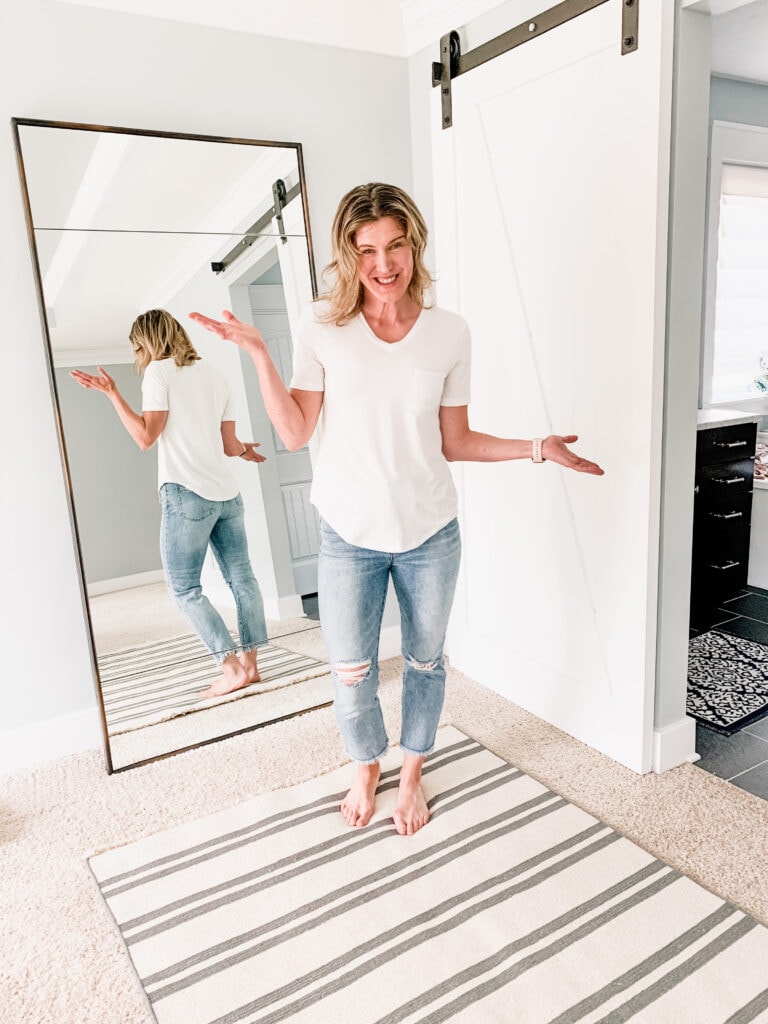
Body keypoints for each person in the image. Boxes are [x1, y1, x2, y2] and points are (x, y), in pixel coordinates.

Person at [189, 182, 604, 836]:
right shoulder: (322, 326)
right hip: (348, 535)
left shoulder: (449, 333)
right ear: (348, 256)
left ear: (415, 245)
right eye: (367, 250)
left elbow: (454, 440)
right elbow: (295, 433)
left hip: (430, 533)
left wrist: (535, 448)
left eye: (396, 246)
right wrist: (260, 354)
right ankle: (366, 766)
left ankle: (411, 774)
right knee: (351, 671)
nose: (384, 264)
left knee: (425, 663)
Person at [70, 308, 268, 700]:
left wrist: (112, 394)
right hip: (227, 497)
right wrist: (245, 450)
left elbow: (146, 437)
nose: (138, 355)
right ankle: (251, 665)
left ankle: (230, 669)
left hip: (187, 495)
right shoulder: (216, 376)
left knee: (184, 589)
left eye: (137, 347)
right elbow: (229, 446)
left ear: (147, 342)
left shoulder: (159, 373)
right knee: (243, 579)